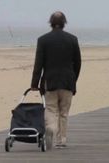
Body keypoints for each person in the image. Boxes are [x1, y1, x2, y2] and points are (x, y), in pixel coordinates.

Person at [30, 11, 81, 150]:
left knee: (51, 109)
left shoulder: (43, 40)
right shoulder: (72, 39)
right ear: (64, 23)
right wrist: (73, 79)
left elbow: (38, 64)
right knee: (64, 112)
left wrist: (34, 83)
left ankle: (50, 129)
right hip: (67, 82)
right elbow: (78, 63)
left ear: (50, 23)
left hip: (49, 81)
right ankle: (61, 140)